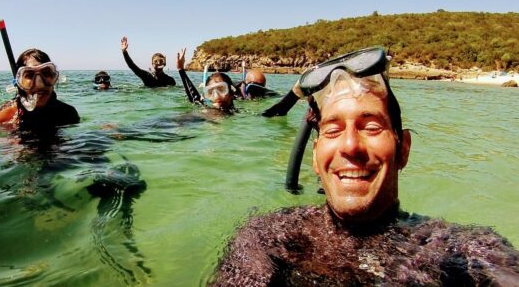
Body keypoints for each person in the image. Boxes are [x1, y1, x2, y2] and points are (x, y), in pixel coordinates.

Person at [213, 47, 519, 285]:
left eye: (371, 127)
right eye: (332, 130)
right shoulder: (270, 238)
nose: (350, 146)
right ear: (316, 157)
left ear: (404, 150)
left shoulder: (463, 250)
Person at [0, 48, 79, 128]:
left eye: (46, 73)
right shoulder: (8, 114)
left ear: (55, 77)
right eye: (29, 75)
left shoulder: (68, 113)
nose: (39, 84)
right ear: (18, 82)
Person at [177, 48, 235, 112]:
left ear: (231, 93)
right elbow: (195, 99)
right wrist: (181, 70)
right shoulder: (207, 110)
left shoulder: (242, 114)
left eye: (221, 89)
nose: (216, 96)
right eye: (210, 92)